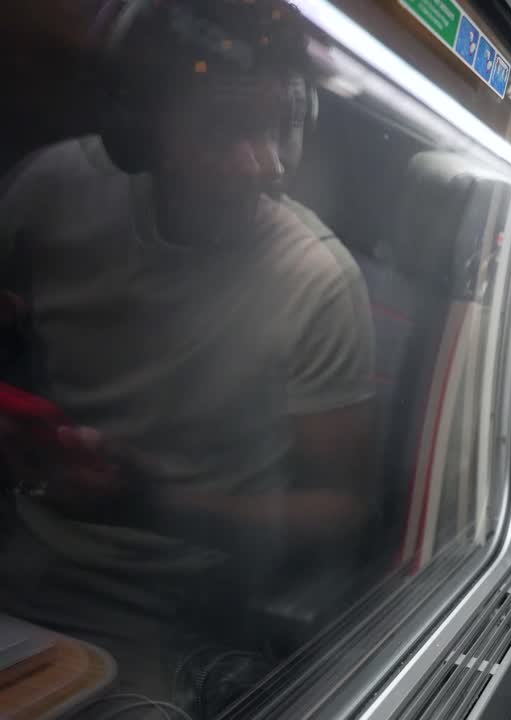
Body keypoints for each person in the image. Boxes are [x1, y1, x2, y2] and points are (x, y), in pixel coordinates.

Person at [0, 0, 374, 708]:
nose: (266, 166)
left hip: (175, 598)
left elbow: (342, 506)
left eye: (282, 127)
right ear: (138, 131)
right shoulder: (52, 190)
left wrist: (154, 502)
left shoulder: (317, 280)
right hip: (22, 539)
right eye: (223, 129)